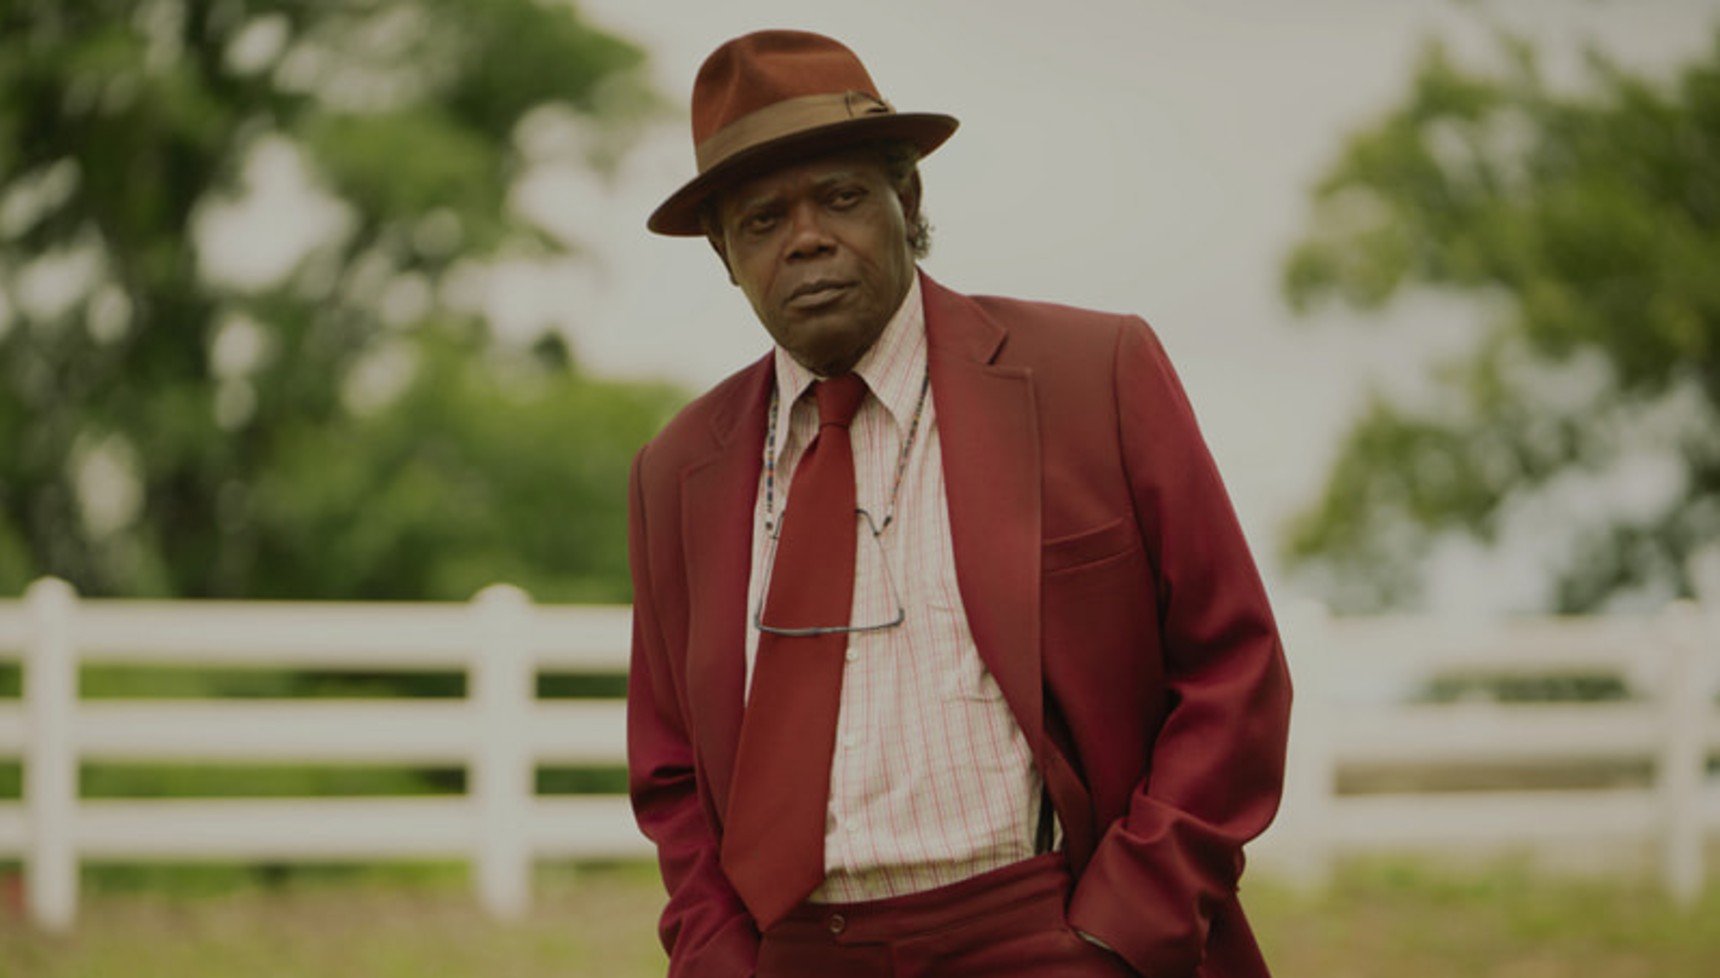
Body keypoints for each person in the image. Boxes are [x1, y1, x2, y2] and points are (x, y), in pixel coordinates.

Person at [625, 29, 1291, 978]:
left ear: (908, 199)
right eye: (763, 219)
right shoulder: (678, 469)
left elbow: (1234, 671)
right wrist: (723, 958)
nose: (806, 236)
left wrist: (1124, 928)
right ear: (727, 257)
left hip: (1050, 928)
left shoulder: (1089, 376)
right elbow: (670, 772)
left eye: (842, 196)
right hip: (797, 952)